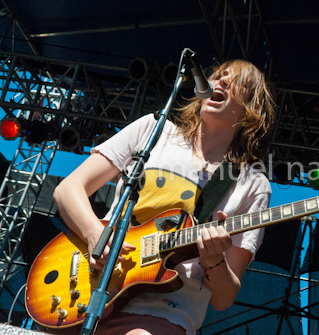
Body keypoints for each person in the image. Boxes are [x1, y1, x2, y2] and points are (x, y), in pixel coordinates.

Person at [51, 59, 275, 335]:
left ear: (250, 109)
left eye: (236, 81)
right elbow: (68, 189)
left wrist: (214, 260)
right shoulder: (153, 130)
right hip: (89, 284)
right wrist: (94, 233)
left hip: (164, 312)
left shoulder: (251, 184)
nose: (221, 82)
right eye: (217, 76)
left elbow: (223, 298)